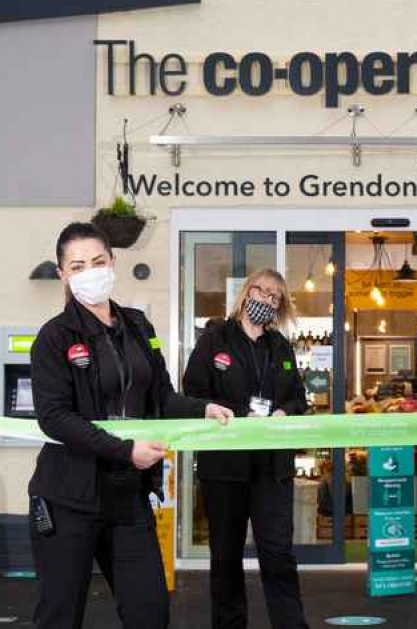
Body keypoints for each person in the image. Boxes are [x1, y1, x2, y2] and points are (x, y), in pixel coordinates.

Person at [28, 222, 233, 629]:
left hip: (128, 498)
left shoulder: (139, 327)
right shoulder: (53, 338)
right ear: (63, 272)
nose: (91, 272)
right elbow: (54, 418)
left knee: (149, 613)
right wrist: (126, 451)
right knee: (59, 616)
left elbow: (161, 397)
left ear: (113, 262)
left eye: (99, 261)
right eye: (79, 265)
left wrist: (202, 408)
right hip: (69, 497)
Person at [182, 268, 310, 629]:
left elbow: (298, 398)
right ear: (246, 293)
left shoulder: (280, 346)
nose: (267, 300)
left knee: (278, 555)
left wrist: (285, 410)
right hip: (225, 468)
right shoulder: (214, 340)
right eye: (262, 292)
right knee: (225, 557)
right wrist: (229, 413)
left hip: (273, 469)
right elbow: (192, 392)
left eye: (275, 297)